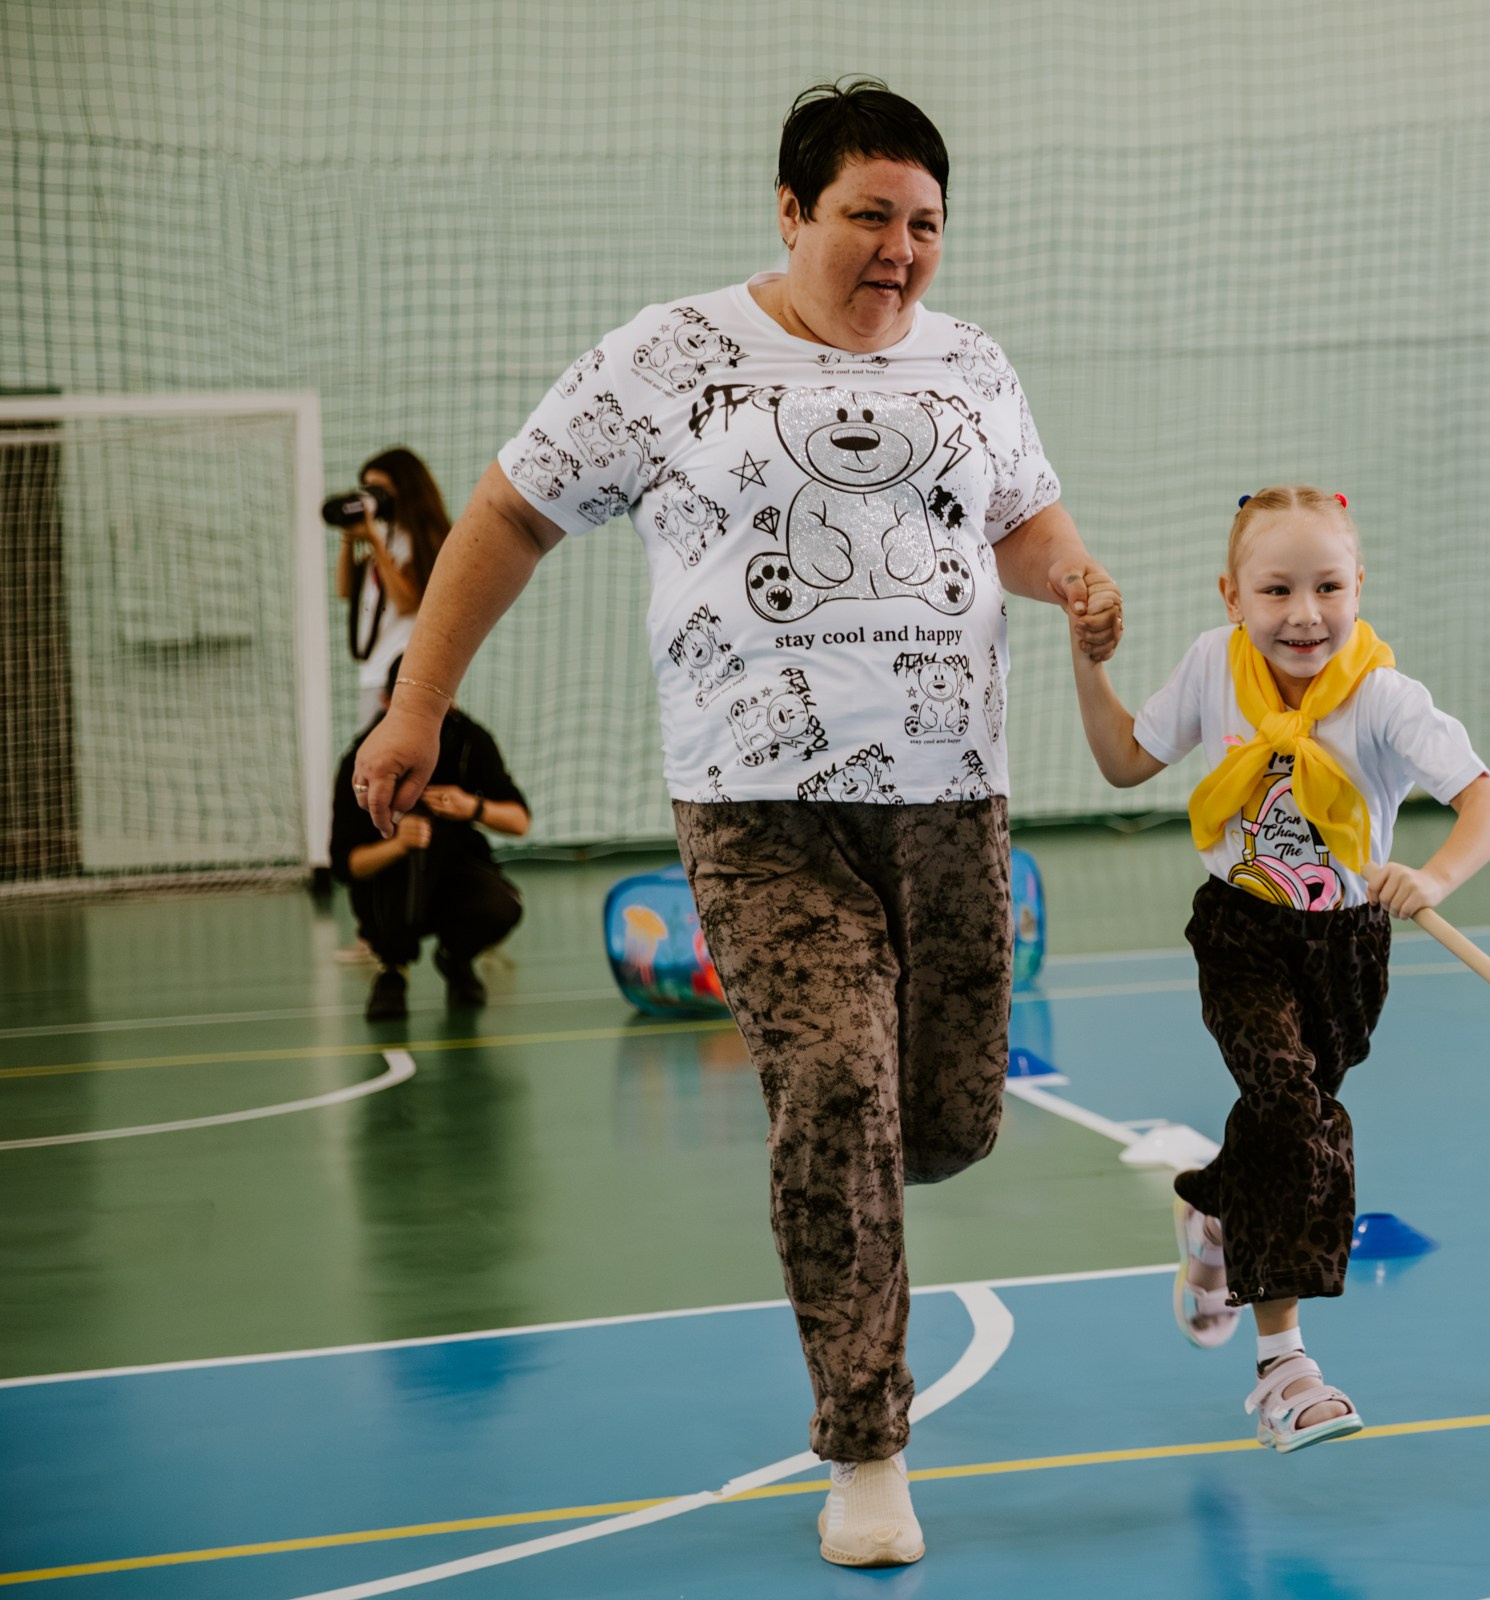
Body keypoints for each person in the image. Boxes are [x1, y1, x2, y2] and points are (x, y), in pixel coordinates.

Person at [350, 79, 1121, 1569]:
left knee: (946, 1121)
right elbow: (506, 514)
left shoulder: (972, 364)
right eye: (867, 218)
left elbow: (1025, 521)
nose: (899, 250)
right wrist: (418, 705)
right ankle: (868, 1448)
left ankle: (858, 1199)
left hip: (953, 802)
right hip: (761, 809)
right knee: (836, 1088)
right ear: (789, 211)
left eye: (925, 224)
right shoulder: (673, 355)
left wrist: (1076, 578)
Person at [1067, 485, 1490, 1452]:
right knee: (1288, 1103)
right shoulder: (1211, 670)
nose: (1304, 613)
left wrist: (1431, 875)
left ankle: (1215, 1213)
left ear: (1361, 586)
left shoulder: (1385, 698)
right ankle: (1287, 1369)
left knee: (1288, 1118)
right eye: (1276, 590)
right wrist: (1086, 662)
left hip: (1349, 950)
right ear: (1232, 594)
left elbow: (1488, 809)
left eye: (1327, 587)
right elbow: (1121, 764)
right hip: (1242, 931)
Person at [332, 660, 529, 1022]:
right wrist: (398, 843)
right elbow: (346, 865)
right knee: (415, 854)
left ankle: (456, 958)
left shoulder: (470, 741)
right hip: (391, 889)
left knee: (504, 905)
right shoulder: (362, 760)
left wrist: (472, 806)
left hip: (456, 874)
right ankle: (391, 970)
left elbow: (520, 821)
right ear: (387, 701)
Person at [337, 447, 451, 727]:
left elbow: (406, 600)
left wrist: (374, 541)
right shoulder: (384, 536)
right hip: (373, 672)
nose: (371, 496)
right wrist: (350, 538)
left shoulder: (420, 540)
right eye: (367, 487)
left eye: (380, 489)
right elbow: (344, 590)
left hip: (405, 675)